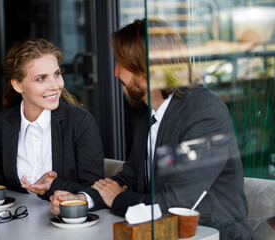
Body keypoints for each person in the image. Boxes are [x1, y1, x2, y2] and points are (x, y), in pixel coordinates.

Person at [50, 19, 255, 239]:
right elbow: (129, 178)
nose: (116, 73)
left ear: (146, 68)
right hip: (161, 232)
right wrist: (81, 200)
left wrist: (118, 199)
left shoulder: (204, 112)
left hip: (211, 235)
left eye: (121, 63)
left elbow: (175, 203)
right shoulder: (148, 111)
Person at [0, 38, 104, 202]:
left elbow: (95, 188)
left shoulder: (80, 122)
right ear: (18, 85)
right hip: (17, 220)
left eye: (56, 74)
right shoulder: (4, 122)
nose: (55, 86)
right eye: (41, 78)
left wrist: (52, 187)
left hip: (64, 222)